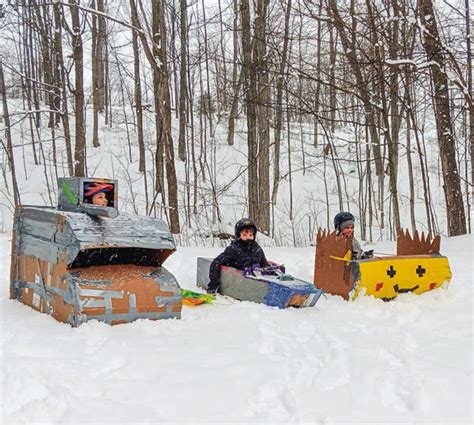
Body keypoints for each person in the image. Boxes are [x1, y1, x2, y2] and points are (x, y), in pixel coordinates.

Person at [207, 218, 269, 294]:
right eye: (244, 235)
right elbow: (216, 263)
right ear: (239, 235)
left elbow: (265, 264)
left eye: (250, 235)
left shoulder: (257, 249)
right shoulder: (234, 249)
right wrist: (213, 285)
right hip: (239, 282)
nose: (248, 238)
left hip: (254, 280)